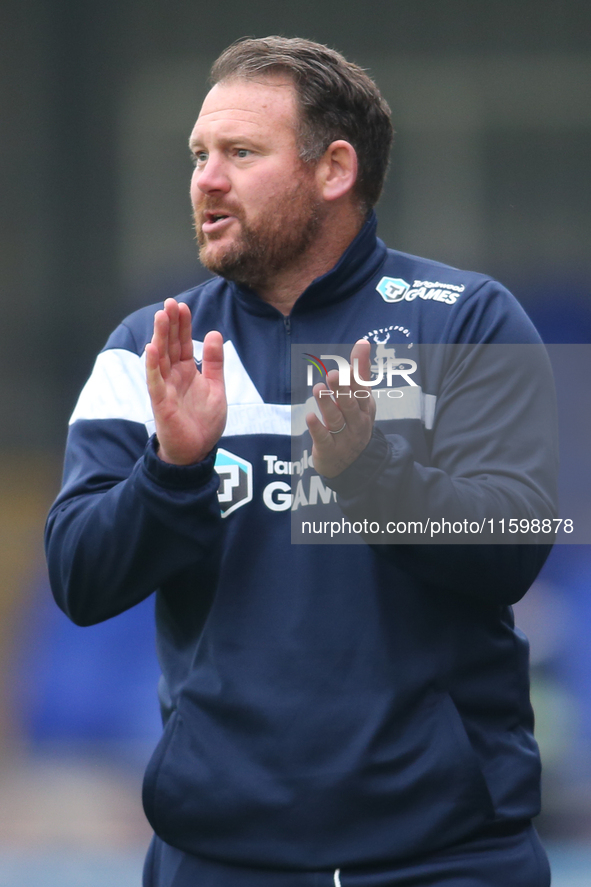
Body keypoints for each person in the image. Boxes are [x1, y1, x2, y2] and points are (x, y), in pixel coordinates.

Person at [45, 36, 558, 887]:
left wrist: (367, 472)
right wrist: (172, 469)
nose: (205, 179)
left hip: (447, 859)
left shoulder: (470, 318)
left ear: (334, 170)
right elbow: (80, 579)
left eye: (241, 153)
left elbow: (511, 552)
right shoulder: (147, 347)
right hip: (216, 859)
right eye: (199, 155)